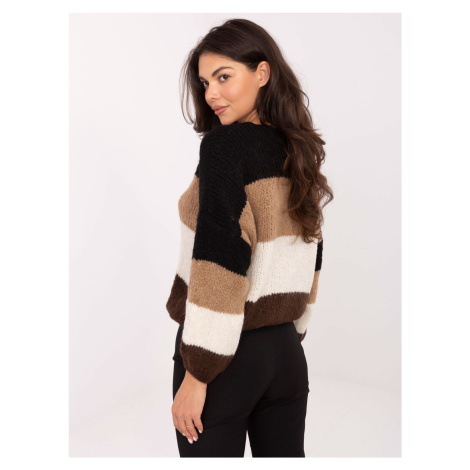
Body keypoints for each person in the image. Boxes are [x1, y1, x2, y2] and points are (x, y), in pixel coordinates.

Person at [165, 18, 333, 457]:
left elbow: (220, 262)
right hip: (286, 355)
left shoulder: (225, 148)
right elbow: (312, 252)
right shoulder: (297, 149)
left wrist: (197, 373)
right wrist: (291, 334)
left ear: (262, 72)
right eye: (205, 82)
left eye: (224, 77)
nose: (211, 94)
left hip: (225, 359)